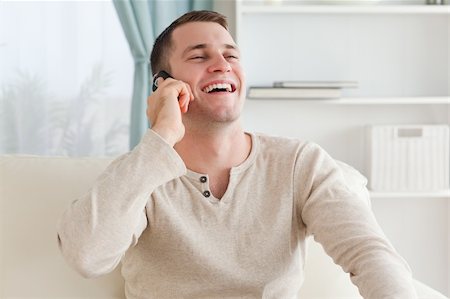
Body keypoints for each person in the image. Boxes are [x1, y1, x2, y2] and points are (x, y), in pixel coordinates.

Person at [57, 10, 417, 299]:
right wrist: (162, 135)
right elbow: (87, 256)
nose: (222, 64)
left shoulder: (299, 164)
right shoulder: (142, 172)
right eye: (199, 56)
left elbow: (369, 254)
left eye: (231, 55)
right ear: (163, 85)